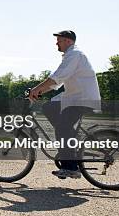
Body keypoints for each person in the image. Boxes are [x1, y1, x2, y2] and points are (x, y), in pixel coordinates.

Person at [29, 30, 101, 179]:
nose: (57, 43)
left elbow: (57, 77)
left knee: (62, 127)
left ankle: (71, 167)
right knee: (49, 107)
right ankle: (68, 140)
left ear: (68, 41)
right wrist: (39, 91)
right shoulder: (71, 55)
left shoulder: (75, 54)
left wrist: (37, 88)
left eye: (59, 40)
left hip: (82, 99)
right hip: (74, 97)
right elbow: (57, 82)